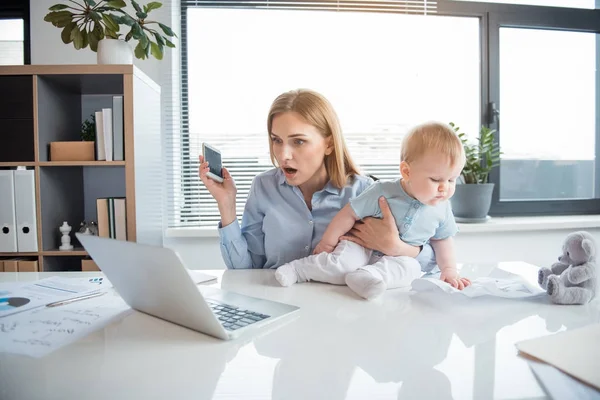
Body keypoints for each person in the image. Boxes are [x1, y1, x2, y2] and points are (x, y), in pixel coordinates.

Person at [199, 89, 435, 271]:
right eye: (276, 140)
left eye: (298, 141)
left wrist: (398, 248)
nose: (283, 155)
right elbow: (245, 271)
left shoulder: (364, 192)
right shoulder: (264, 187)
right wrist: (226, 205)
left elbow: (431, 264)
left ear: (329, 144)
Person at [275, 122, 471, 299]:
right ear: (407, 172)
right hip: (361, 245)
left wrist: (449, 269)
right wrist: (327, 242)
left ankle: (368, 278)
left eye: (452, 180)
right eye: (436, 180)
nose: (444, 188)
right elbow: (349, 213)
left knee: (411, 269)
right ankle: (299, 270)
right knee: (341, 266)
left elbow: (442, 240)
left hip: (397, 257)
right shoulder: (383, 191)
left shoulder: (442, 208)